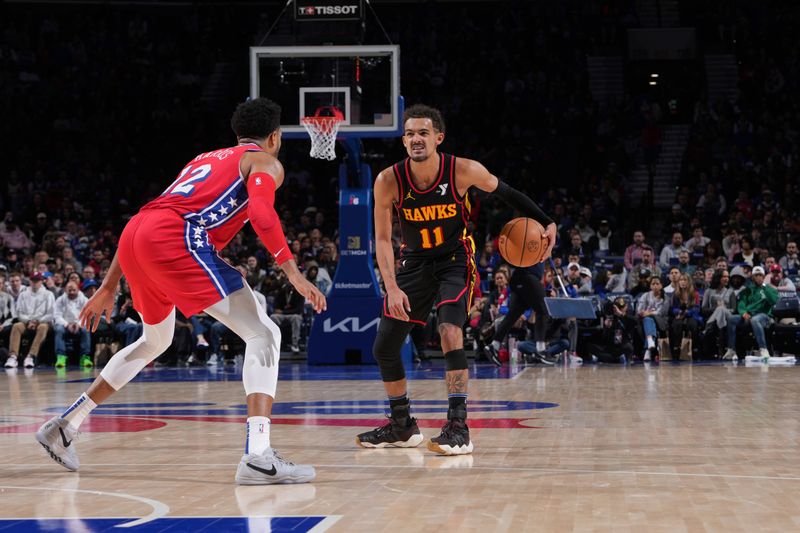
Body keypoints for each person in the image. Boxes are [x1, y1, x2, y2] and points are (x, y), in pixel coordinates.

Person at [35, 98, 327, 485]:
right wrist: (293, 272)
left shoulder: (203, 158)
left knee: (154, 341)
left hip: (138, 234)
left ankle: (66, 424)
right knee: (265, 333)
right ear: (274, 137)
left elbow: (152, 215)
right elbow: (260, 213)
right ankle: (259, 455)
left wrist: (109, 285)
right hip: (175, 239)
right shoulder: (265, 162)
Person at [357, 104, 555, 455]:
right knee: (384, 347)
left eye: (422, 133)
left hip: (454, 259)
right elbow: (384, 240)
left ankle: (459, 425)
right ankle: (403, 426)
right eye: (410, 134)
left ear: (438, 137)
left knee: (449, 330)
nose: (416, 139)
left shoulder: (462, 170)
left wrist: (546, 221)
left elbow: (507, 192)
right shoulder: (388, 180)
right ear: (403, 140)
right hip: (414, 262)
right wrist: (391, 286)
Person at [723, 266, 779, 361]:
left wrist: (764, 287)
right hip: (749, 316)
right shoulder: (746, 291)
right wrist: (743, 313)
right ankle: (731, 349)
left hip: (764, 316)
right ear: (752, 277)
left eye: (760, 275)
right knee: (731, 319)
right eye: (756, 275)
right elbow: (741, 304)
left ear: (764, 276)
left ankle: (763, 349)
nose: (758, 277)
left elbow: (773, 301)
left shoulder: (770, 289)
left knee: (755, 319)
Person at [5, 272, 54, 368]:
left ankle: (31, 356)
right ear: (30, 281)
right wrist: (28, 321)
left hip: (42, 322)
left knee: (43, 327)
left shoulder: (49, 294)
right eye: (33, 280)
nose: (35, 283)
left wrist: (37, 321)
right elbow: (19, 312)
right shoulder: (23, 294)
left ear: (42, 281)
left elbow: (50, 314)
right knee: (16, 326)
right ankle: (13, 356)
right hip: (26, 322)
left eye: (37, 281)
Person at [53, 281, 92, 368]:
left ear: (78, 290)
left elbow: (87, 315)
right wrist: (67, 325)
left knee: (86, 329)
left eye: (74, 290)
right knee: (58, 329)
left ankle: (85, 357)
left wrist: (78, 324)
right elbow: (57, 316)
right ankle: (61, 357)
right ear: (65, 290)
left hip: (79, 324)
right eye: (69, 290)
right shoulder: (60, 300)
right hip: (65, 324)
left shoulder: (84, 300)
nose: (72, 292)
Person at [636, 277, 668, 361]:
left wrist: (649, 313)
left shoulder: (665, 297)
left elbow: (662, 312)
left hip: (661, 321)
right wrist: (645, 313)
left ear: (661, 285)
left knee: (649, 318)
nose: (655, 286)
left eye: (657, 284)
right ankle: (649, 347)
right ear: (650, 286)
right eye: (653, 284)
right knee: (648, 320)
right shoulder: (645, 295)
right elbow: (639, 310)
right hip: (646, 319)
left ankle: (649, 346)